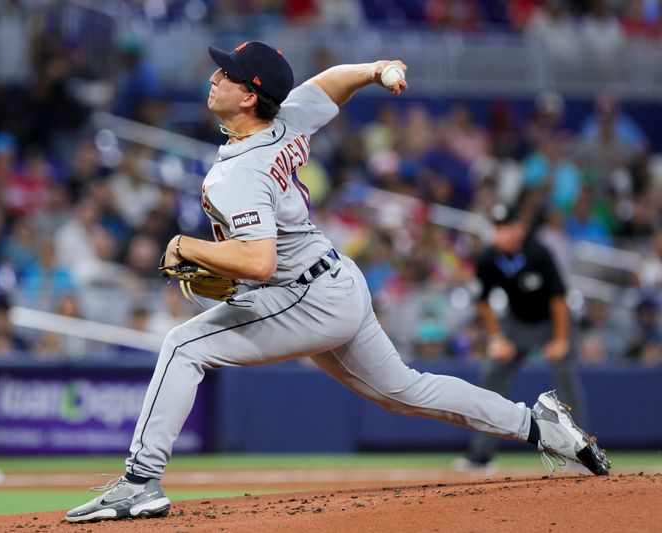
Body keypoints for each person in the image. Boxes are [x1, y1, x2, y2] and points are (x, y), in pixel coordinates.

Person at [65, 41, 610, 524]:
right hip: (331, 282)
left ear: (250, 96)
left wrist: (187, 246)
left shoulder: (238, 170)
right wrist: (377, 68)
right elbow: (330, 84)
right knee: (405, 390)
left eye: (225, 75)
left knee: (182, 344)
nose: (214, 79)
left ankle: (139, 482)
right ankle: (541, 426)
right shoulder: (285, 121)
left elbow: (256, 262)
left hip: (305, 295)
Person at [458, 204, 589, 471]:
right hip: (517, 323)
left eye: (506, 227)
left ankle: (582, 453)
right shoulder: (488, 259)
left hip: (552, 322)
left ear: (519, 228)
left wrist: (561, 340)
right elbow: (482, 301)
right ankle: (481, 456)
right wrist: (496, 337)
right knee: (491, 378)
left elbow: (559, 299)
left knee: (566, 382)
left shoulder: (538, 253)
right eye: (497, 228)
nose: (501, 234)